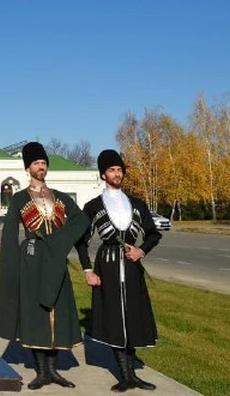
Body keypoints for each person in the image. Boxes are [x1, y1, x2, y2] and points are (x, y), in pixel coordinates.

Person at [0, 142, 90, 390]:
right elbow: (9, 234)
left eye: (44, 163)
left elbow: (81, 220)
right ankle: (42, 371)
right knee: (36, 314)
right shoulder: (19, 199)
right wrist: (12, 267)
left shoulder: (61, 198)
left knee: (58, 310)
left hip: (56, 259)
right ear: (28, 168)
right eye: (36, 163)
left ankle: (54, 371)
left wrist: (60, 241)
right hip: (32, 259)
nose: (41, 166)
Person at [76, 150, 161, 392]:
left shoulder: (138, 204)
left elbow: (154, 234)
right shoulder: (92, 206)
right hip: (108, 265)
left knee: (132, 316)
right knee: (115, 317)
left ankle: (133, 375)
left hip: (132, 267)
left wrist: (141, 251)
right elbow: (82, 241)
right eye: (112, 170)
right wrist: (87, 270)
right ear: (103, 174)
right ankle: (125, 375)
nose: (117, 174)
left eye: (120, 170)